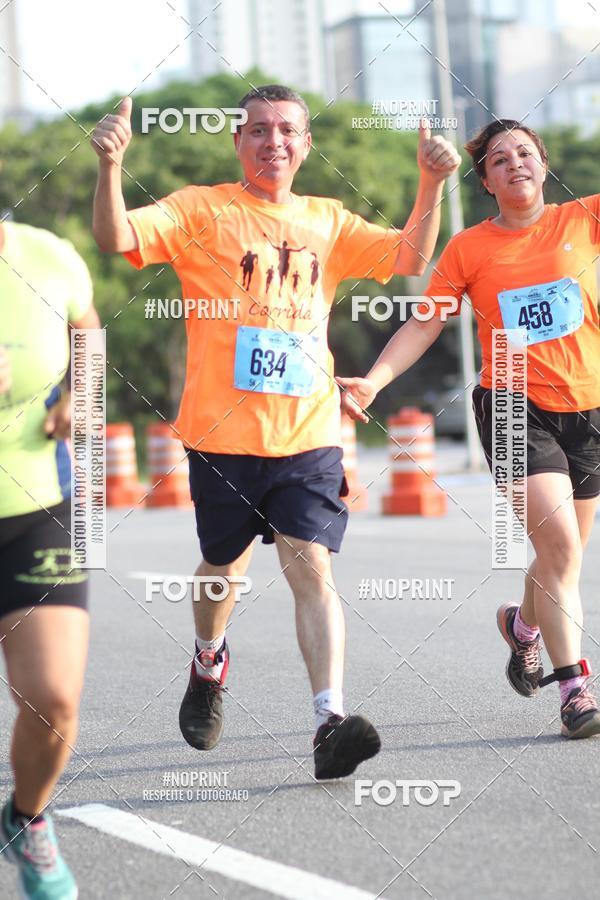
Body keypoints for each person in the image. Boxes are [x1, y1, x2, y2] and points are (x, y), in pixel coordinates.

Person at [90, 84, 460, 778]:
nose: (273, 142)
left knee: (312, 566)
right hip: (222, 436)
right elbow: (115, 237)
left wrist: (431, 183)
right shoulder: (202, 209)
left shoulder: (330, 220)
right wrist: (111, 166)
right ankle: (208, 662)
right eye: (258, 130)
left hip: (309, 433)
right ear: (239, 143)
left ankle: (328, 720)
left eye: (287, 130)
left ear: (306, 144)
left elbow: (410, 256)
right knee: (222, 572)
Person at [339, 119, 600, 740]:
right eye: (501, 160)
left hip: (589, 407)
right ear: (484, 180)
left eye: (526, 154)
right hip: (511, 404)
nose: (515, 164)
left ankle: (524, 627)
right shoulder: (469, 250)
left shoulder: (584, 220)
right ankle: (574, 690)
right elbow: (425, 323)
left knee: (564, 554)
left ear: (543, 163)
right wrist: (375, 379)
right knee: (560, 548)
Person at [0, 219, 100, 898]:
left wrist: (79, 396)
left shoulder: (47, 254)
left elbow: (87, 332)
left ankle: (26, 818)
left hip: (40, 504)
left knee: (55, 699)